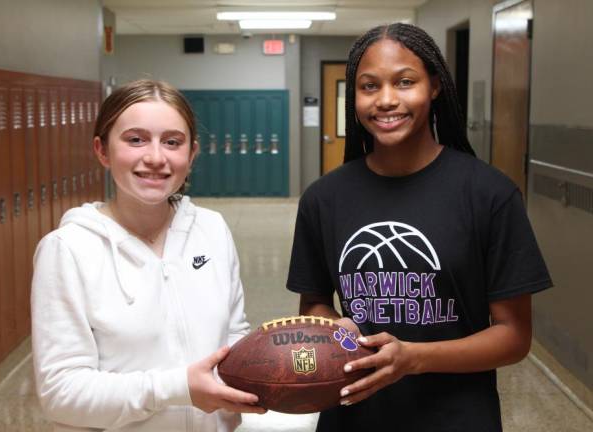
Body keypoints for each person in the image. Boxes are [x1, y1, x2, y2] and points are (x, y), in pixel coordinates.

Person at [287, 23, 552, 431]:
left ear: (435, 86)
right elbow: (314, 304)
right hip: (352, 416)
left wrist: (414, 358)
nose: (387, 100)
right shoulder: (324, 198)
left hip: (456, 417)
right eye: (369, 86)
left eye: (405, 81)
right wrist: (334, 328)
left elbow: (514, 337)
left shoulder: (489, 194)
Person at [31, 79, 265, 432]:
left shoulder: (212, 229)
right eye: (135, 139)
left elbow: (232, 337)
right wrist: (176, 389)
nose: (156, 157)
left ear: (192, 153)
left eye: (172, 142)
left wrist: (280, 363)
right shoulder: (67, 249)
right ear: (102, 150)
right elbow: (61, 393)